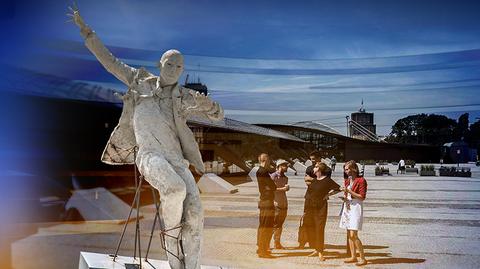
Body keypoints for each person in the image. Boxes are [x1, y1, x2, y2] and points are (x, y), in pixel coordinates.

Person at [68, 7, 224, 269]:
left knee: (196, 212)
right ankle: (173, 246)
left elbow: (216, 113)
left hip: (177, 158)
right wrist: (87, 33)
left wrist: (213, 108)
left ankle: (191, 266)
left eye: (179, 66)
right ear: (159, 65)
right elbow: (110, 62)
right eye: (170, 63)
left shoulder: (184, 96)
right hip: (150, 155)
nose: (174, 69)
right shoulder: (139, 81)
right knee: (175, 190)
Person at [304, 162, 341, 261]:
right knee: (313, 228)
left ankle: (320, 252)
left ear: (320, 169)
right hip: (311, 207)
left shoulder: (327, 180)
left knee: (319, 229)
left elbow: (339, 188)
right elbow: (310, 194)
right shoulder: (315, 180)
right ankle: (316, 249)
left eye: (316, 167)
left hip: (321, 208)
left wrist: (328, 195)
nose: (314, 168)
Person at [340, 160, 368, 266]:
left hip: (356, 206)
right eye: (345, 169)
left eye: (347, 169)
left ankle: (363, 258)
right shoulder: (347, 181)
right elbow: (348, 194)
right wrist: (345, 198)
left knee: (353, 234)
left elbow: (362, 197)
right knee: (349, 234)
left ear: (354, 169)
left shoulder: (361, 180)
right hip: (348, 207)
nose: (346, 171)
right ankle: (353, 256)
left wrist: (349, 191)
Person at [298, 150, 322, 248]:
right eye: (311, 159)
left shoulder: (326, 169)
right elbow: (306, 181)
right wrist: (316, 181)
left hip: (320, 199)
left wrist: (312, 180)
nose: (312, 161)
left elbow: (323, 183)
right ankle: (302, 241)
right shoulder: (309, 168)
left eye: (314, 159)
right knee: (306, 220)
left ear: (319, 158)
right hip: (309, 197)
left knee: (317, 221)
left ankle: (314, 242)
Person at [256, 153, 276, 258]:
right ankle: (262, 251)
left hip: (264, 201)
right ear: (266, 160)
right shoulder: (263, 172)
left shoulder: (261, 171)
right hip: (267, 202)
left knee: (263, 226)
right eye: (269, 160)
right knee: (266, 226)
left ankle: (260, 248)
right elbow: (273, 186)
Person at [271, 159, 290, 249]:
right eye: (284, 165)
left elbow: (283, 189)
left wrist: (286, 188)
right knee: (273, 225)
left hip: (283, 204)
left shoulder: (285, 178)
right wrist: (282, 189)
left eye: (286, 165)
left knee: (280, 225)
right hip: (276, 204)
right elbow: (269, 189)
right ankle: (265, 243)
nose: (286, 167)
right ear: (279, 166)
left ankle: (277, 243)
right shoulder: (273, 176)